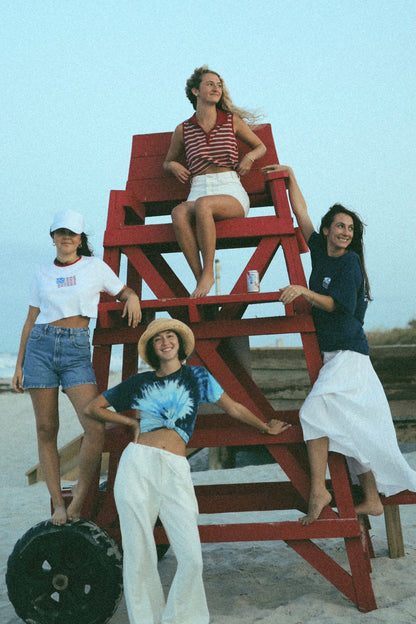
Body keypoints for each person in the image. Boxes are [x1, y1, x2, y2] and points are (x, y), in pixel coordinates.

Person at [85, 317, 291, 624]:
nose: (165, 342)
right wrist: (131, 423)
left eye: (170, 336)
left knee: (192, 558)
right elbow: (93, 407)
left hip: (175, 468)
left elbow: (233, 407)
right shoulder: (140, 383)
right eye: (159, 339)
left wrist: (264, 426)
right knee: (139, 553)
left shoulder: (198, 377)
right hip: (138, 464)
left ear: (180, 344)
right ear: (153, 349)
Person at [262, 164, 416, 526]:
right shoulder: (319, 250)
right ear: (328, 230)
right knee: (349, 426)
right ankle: (373, 500)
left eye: (351, 228)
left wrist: (303, 291)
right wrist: (291, 177)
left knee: (312, 413)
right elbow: (301, 214)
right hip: (333, 355)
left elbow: (336, 305)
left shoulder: (349, 263)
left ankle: (319, 491)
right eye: (340, 226)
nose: (346, 232)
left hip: (349, 353)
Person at [12, 209, 142, 526]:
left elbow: (122, 291)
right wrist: (18, 365)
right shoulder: (42, 273)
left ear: (81, 238)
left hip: (75, 348)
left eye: (72, 233)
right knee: (46, 430)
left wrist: (132, 297)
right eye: (60, 233)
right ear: (53, 237)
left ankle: (79, 499)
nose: (66, 238)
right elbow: (31, 320)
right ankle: (58, 503)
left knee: (94, 425)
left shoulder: (95, 267)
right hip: (40, 348)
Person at [163, 65, 266, 298]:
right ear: (195, 91)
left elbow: (260, 146)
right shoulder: (183, 129)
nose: (216, 88)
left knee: (204, 205)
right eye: (210, 84)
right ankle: (201, 278)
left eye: (219, 85)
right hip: (198, 188)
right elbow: (167, 161)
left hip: (229, 189)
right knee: (179, 212)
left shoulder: (231, 120)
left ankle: (208, 273)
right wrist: (174, 165)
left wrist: (249, 157)